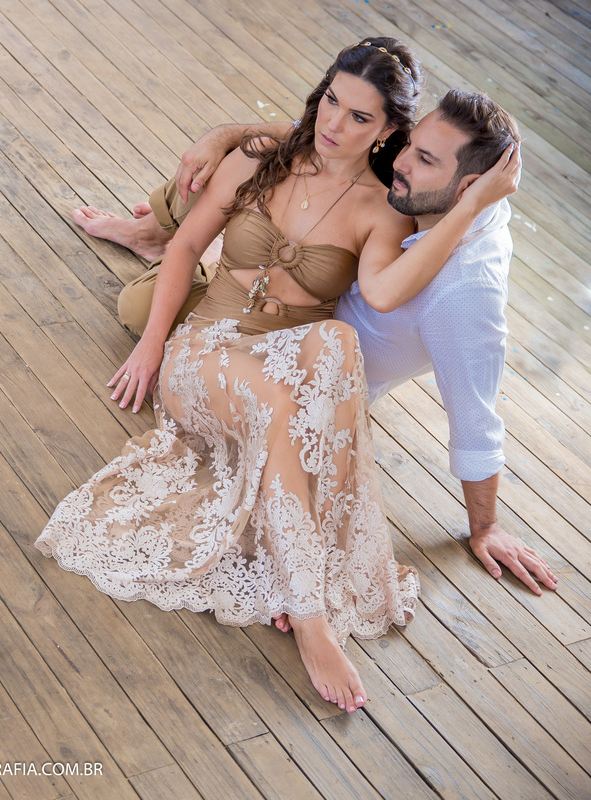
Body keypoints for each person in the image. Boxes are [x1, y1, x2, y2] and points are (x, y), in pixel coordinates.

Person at [36, 38, 524, 715]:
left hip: (284, 365)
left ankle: (293, 576)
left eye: (361, 119)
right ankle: (311, 613)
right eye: (332, 103)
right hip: (205, 352)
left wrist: (470, 207)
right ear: (319, 95)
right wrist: (152, 347)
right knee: (282, 387)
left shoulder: (384, 208)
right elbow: (187, 245)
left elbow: (383, 294)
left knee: (333, 341)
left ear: (388, 131)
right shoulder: (263, 159)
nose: (335, 125)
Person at [80, 90, 558, 600]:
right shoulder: (412, 182)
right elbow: (326, 136)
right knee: (238, 170)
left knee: (142, 301)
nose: (400, 161)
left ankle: (214, 243)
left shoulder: (465, 295)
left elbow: (476, 416)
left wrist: (484, 527)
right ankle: (159, 229)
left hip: (303, 353)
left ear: (472, 190)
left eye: (423, 159)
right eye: (410, 145)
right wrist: (222, 136)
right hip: (272, 281)